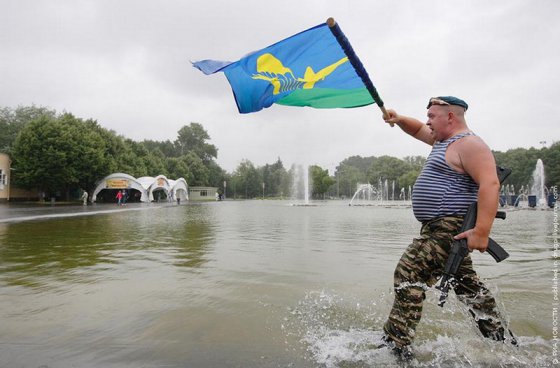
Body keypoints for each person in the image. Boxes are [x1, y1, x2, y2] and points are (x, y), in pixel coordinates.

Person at [381, 96, 513, 358]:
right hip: (439, 228)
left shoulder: (470, 144)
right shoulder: (443, 141)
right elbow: (418, 129)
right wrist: (399, 119)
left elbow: (490, 184)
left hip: (448, 227)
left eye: (432, 116)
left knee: (408, 274)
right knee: (468, 287)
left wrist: (482, 232)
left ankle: (397, 346)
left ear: (450, 117)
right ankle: (501, 342)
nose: (427, 121)